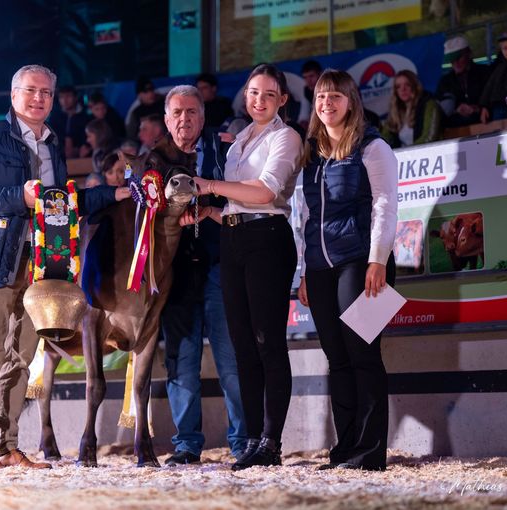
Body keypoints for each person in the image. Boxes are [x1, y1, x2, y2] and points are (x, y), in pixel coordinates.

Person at [0, 64, 127, 469]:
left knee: (23, 356)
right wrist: (20, 196)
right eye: (30, 91)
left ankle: (10, 443)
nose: (38, 98)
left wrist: (113, 193)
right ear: (13, 95)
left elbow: (61, 203)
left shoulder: (53, 144)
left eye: (46, 92)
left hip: (43, 265)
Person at [180, 63, 302, 470]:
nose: (259, 100)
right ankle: (251, 438)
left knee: (268, 342)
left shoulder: (286, 137)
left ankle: (272, 439)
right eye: (253, 92)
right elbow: (236, 204)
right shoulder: (238, 143)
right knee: (242, 347)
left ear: (282, 99)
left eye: (269, 94)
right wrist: (207, 212)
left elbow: (265, 191)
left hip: (268, 240)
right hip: (233, 238)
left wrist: (210, 187)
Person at [297, 69, 398, 471]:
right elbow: (304, 215)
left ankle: (370, 451)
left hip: (362, 263)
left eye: (336, 97)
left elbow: (385, 204)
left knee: (363, 355)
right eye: (321, 97)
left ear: (352, 101)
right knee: (336, 358)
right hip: (320, 268)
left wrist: (378, 259)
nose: (327, 104)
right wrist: (304, 270)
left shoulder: (372, 147)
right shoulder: (312, 152)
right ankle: (347, 447)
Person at [158, 85, 246, 466]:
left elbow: (242, 200)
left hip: (218, 268)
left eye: (191, 112)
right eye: (177, 113)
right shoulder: (154, 161)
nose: (184, 119)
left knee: (231, 361)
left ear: (203, 116)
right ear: (166, 119)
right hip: (175, 276)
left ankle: (243, 442)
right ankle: (187, 444)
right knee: (181, 363)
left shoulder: (226, 151)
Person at [435, 36, 492, 127]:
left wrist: (480, 108)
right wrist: (455, 110)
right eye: (452, 60)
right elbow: (439, 109)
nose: (455, 63)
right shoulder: (445, 81)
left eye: (458, 58)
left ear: (468, 53)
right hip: (455, 127)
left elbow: (495, 96)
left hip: (486, 123)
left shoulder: (485, 73)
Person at [382, 69, 442, 148]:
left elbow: (429, 138)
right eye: (398, 87)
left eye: (407, 84)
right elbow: (384, 139)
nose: (403, 89)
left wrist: (406, 153)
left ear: (415, 86)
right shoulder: (395, 111)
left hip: (428, 155)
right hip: (403, 158)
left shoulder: (429, 105)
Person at [48, 85, 92, 159]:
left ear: (75, 97)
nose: (65, 100)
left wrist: (84, 146)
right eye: (61, 97)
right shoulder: (55, 117)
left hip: (82, 153)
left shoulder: (85, 116)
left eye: (68, 96)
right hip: (60, 154)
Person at [126, 76, 165, 140]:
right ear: (139, 95)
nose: (150, 93)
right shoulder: (136, 113)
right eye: (145, 91)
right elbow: (131, 136)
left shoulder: (165, 106)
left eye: (152, 89)